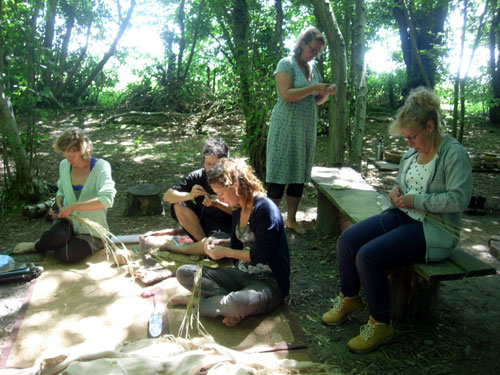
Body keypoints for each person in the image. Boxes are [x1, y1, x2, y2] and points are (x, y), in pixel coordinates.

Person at [321, 87, 472, 353]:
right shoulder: (411, 155)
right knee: (347, 240)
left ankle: (381, 324)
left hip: (433, 229)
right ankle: (350, 298)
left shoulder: (453, 153)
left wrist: (416, 200)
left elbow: (459, 199)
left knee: (367, 256)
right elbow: (404, 185)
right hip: (404, 216)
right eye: (406, 139)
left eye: (412, 137)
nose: (409, 144)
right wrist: (397, 192)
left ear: (430, 126)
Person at [170, 158, 290, 327]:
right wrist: (218, 243)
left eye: (221, 194)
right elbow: (237, 244)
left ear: (235, 186)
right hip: (241, 275)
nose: (220, 199)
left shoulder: (265, 209)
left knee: (236, 304)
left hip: (269, 284)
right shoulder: (238, 208)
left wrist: (226, 252)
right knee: (184, 272)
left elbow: (261, 254)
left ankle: (208, 304)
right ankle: (223, 304)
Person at [266, 26, 336, 234]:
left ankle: (292, 220)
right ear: (302, 44)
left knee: (298, 175)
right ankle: (269, 222)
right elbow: (286, 94)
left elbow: (316, 101)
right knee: (279, 175)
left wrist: (326, 92)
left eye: (318, 52)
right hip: (285, 128)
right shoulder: (286, 64)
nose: (314, 54)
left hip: (305, 129)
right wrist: (314, 88)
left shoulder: (312, 67)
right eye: (313, 49)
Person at [13, 128, 116, 263]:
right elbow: (61, 191)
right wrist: (59, 206)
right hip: (69, 222)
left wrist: (73, 207)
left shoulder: (101, 166)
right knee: (54, 237)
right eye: (65, 155)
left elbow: (107, 199)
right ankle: (37, 245)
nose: (68, 159)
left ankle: (63, 244)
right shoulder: (64, 165)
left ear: (83, 150)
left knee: (66, 255)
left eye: (72, 155)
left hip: (91, 232)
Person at [146, 138, 233, 255]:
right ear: (203, 163)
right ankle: (201, 244)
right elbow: (167, 196)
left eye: (216, 165)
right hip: (203, 224)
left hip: (228, 226)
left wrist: (217, 204)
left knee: (221, 247)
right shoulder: (198, 176)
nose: (212, 169)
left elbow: (243, 213)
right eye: (209, 164)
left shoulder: (234, 178)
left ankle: (191, 248)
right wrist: (189, 195)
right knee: (178, 204)